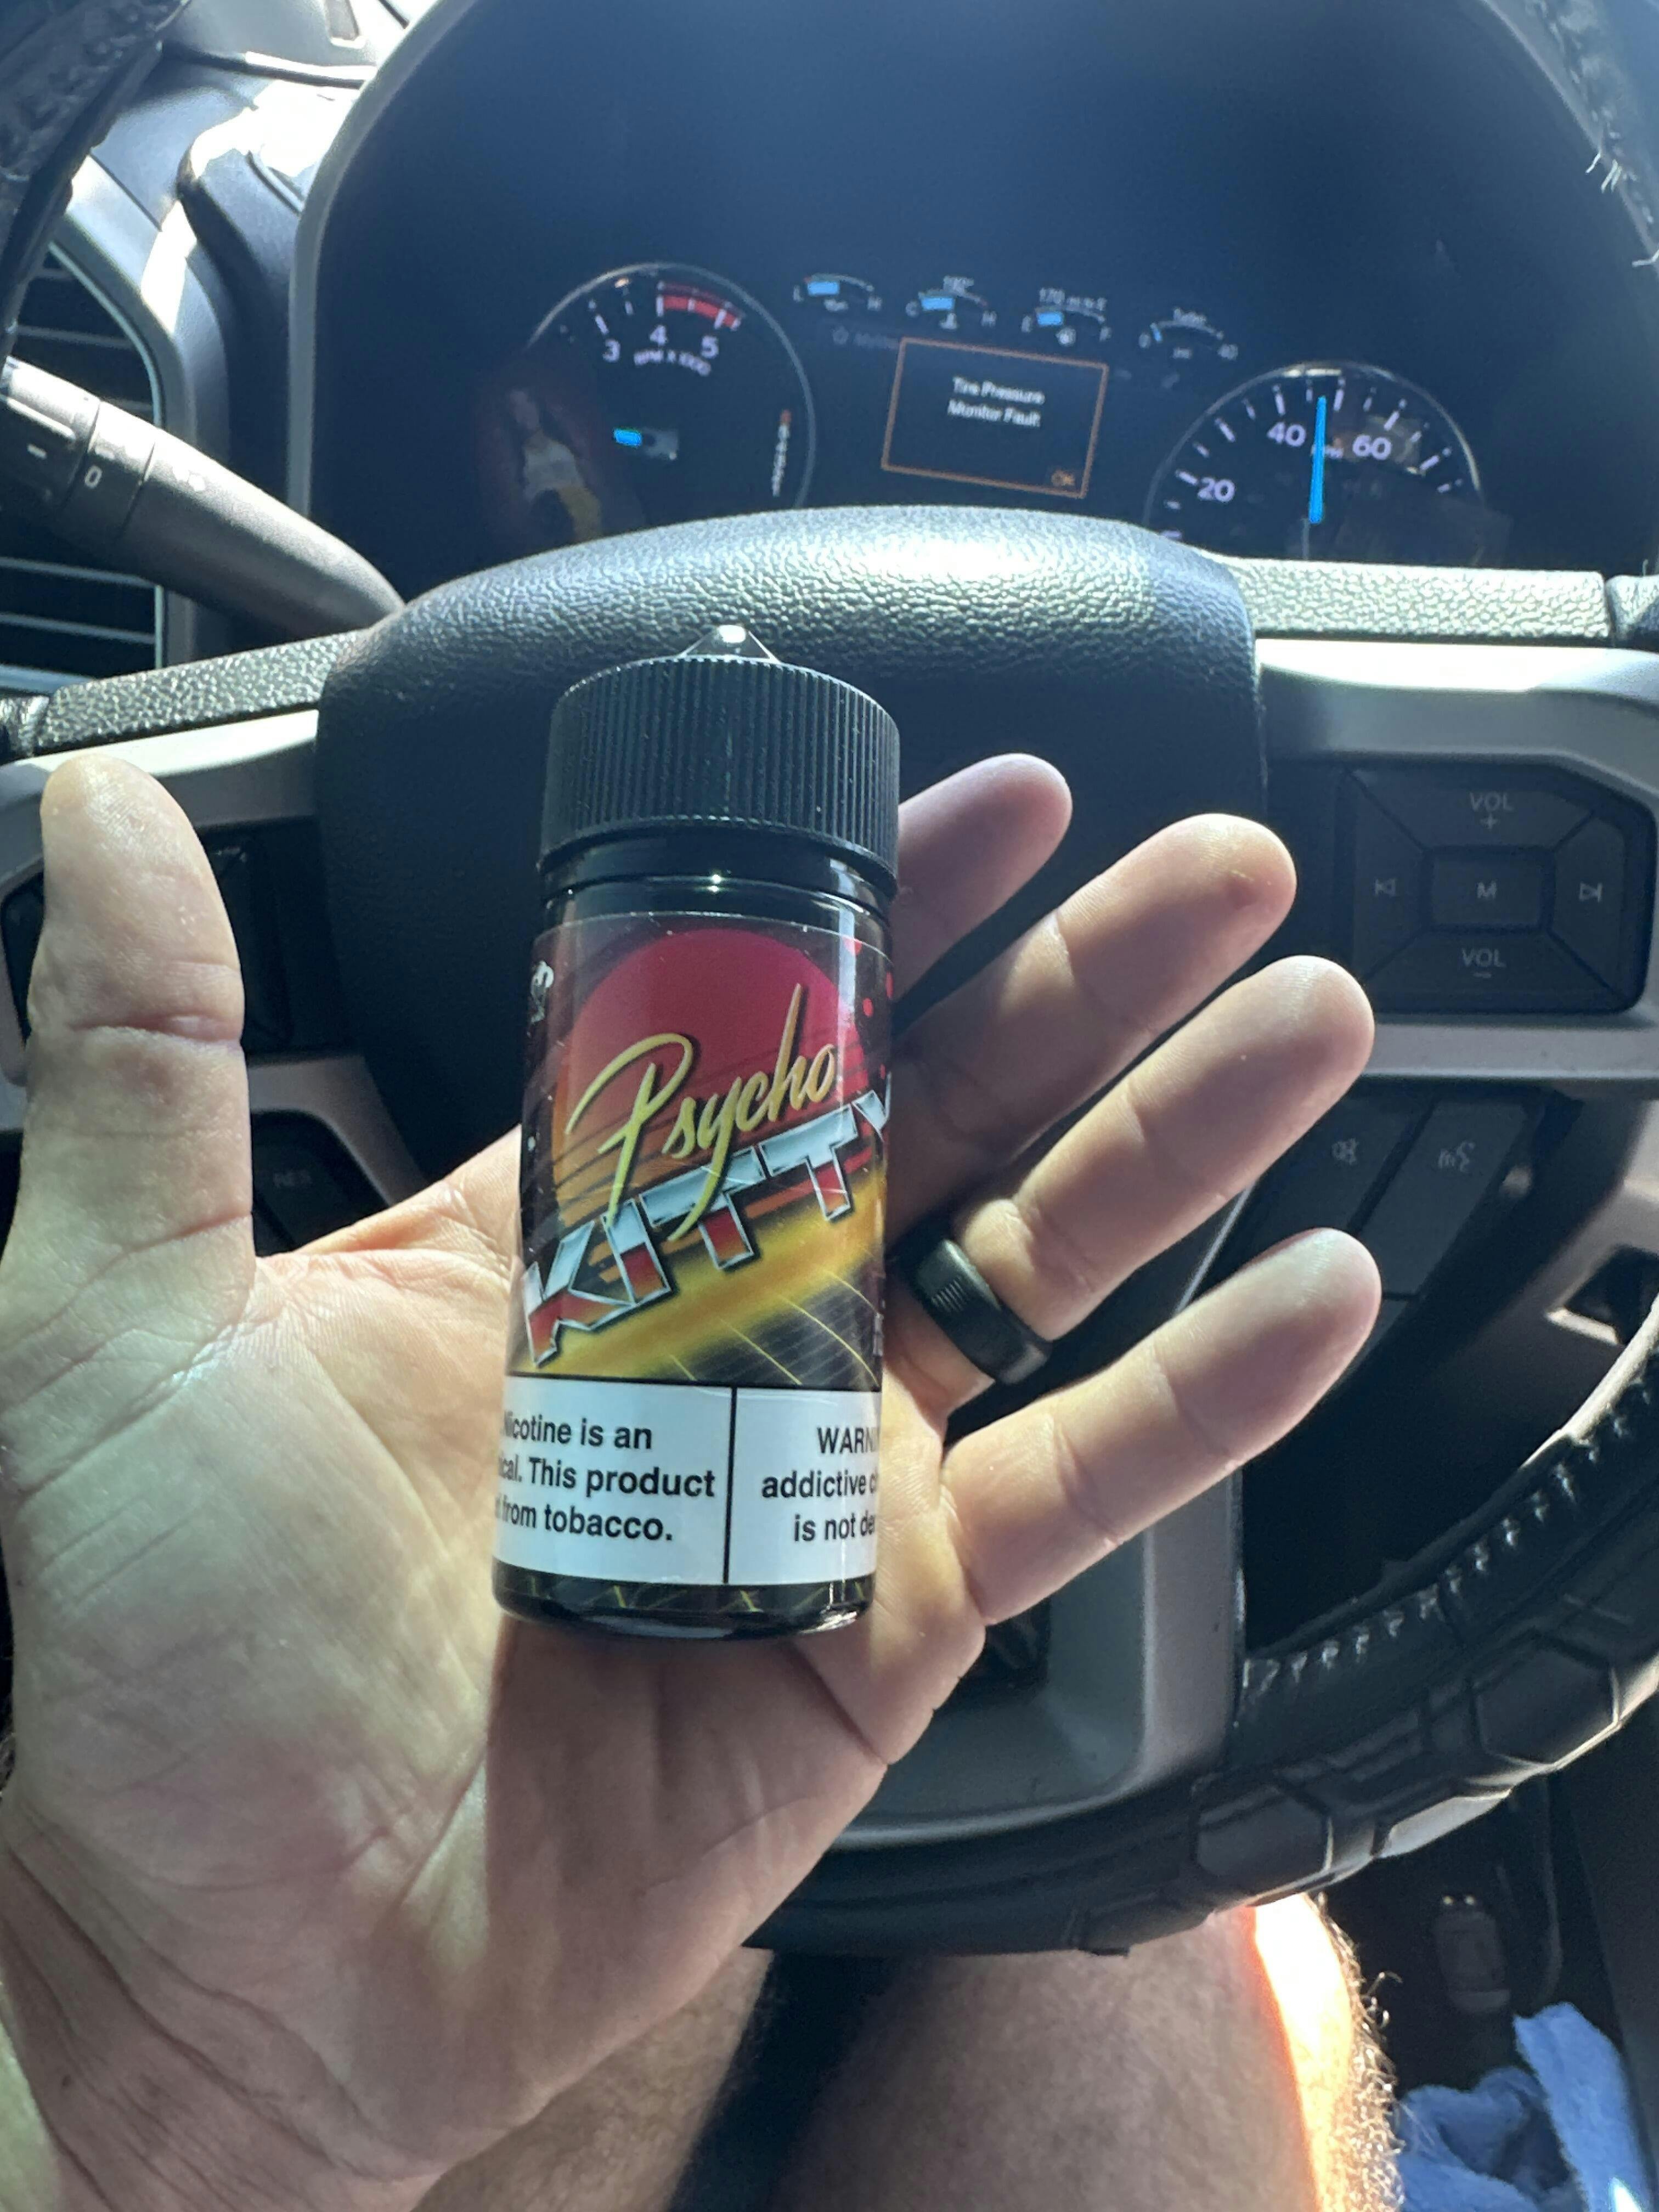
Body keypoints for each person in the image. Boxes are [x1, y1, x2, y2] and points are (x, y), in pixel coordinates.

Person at [0, 748, 1398, 2210]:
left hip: (669, 1674)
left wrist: (149, 2112)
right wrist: (142, 2064)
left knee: (1126, 1942)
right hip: (602, 1681)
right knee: (1182, 1945)